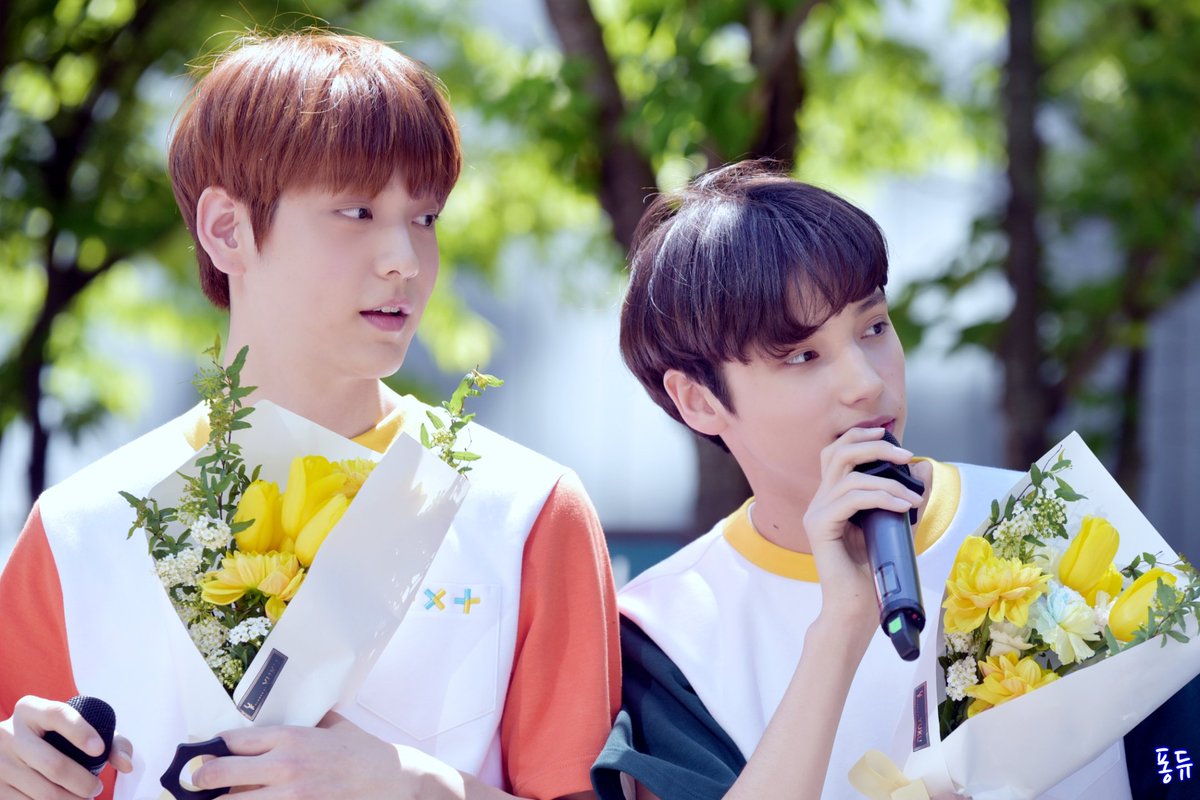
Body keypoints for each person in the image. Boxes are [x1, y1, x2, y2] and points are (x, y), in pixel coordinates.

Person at [0, 32, 619, 800]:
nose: (404, 259)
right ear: (226, 229)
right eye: (357, 211)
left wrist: (411, 786)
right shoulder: (80, 531)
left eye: (425, 217)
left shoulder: (525, 511)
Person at [589, 160, 1131, 799]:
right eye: (802, 355)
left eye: (874, 327)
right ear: (700, 401)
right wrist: (841, 628)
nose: (866, 383)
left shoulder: (1054, 514)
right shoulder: (665, 630)